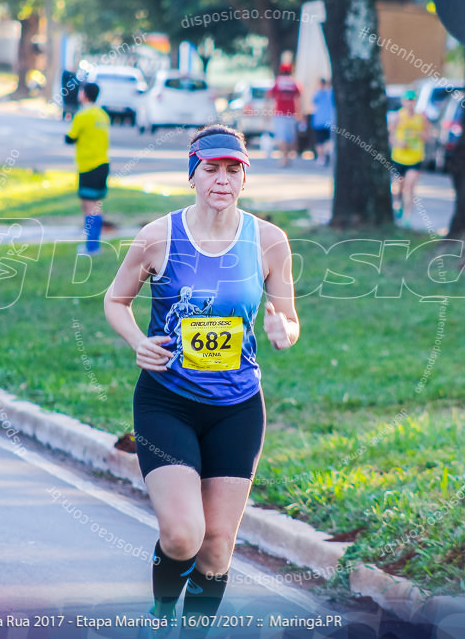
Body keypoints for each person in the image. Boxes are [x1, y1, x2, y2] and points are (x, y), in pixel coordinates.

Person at [104, 125, 299, 637]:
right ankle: (164, 614)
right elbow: (115, 301)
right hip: (167, 401)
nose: (222, 180)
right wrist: (136, 342)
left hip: (237, 406)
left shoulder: (270, 241)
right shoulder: (157, 237)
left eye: (233, 170)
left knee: (216, 548)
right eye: (211, 169)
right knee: (183, 536)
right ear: (192, 174)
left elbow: (288, 319)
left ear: (243, 178)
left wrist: (284, 330)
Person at [65, 81, 110, 254]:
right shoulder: (102, 115)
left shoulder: (82, 115)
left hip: (88, 167)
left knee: (88, 207)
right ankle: (93, 244)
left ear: (84, 94)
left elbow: (70, 137)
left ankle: (91, 247)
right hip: (103, 164)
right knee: (96, 206)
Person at [389, 89, 431, 227]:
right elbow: (391, 136)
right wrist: (398, 142)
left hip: (415, 157)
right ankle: (397, 205)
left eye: (412, 99)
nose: (410, 102)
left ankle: (407, 217)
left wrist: (422, 136)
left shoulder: (421, 117)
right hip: (399, 157)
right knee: (398, 187)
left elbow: (427, 135)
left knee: (409, 186)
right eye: (407, 99)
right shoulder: (398, 116)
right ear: (403, 101)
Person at [267, 64, 302, 167]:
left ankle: (284, 157)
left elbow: (269, 95)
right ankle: (287, 156)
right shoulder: (294, 83)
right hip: (291, 114)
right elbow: (298, 99)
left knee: (281, 137)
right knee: (290, 137)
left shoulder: (278, 82)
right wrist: (299, 114)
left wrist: (268, 111)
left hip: (279, 114)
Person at [311, 78, 335, 166]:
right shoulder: (331, 93)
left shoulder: (318, 93)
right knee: (327, 140)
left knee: (319, 141)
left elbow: (313, 102)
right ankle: (326, 154)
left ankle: (321, 158)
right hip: (329, 120)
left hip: (319, 121)